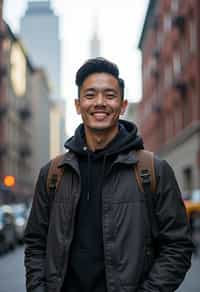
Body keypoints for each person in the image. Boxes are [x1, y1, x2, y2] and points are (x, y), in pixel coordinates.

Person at [24, 57, 193, 292]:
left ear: (122, 106)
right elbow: (35, 244)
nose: (100, 103)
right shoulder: (53, 173)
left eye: (110, 95)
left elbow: (178, 246)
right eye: (90, 95)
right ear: (77, 104)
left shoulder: (153, 170)